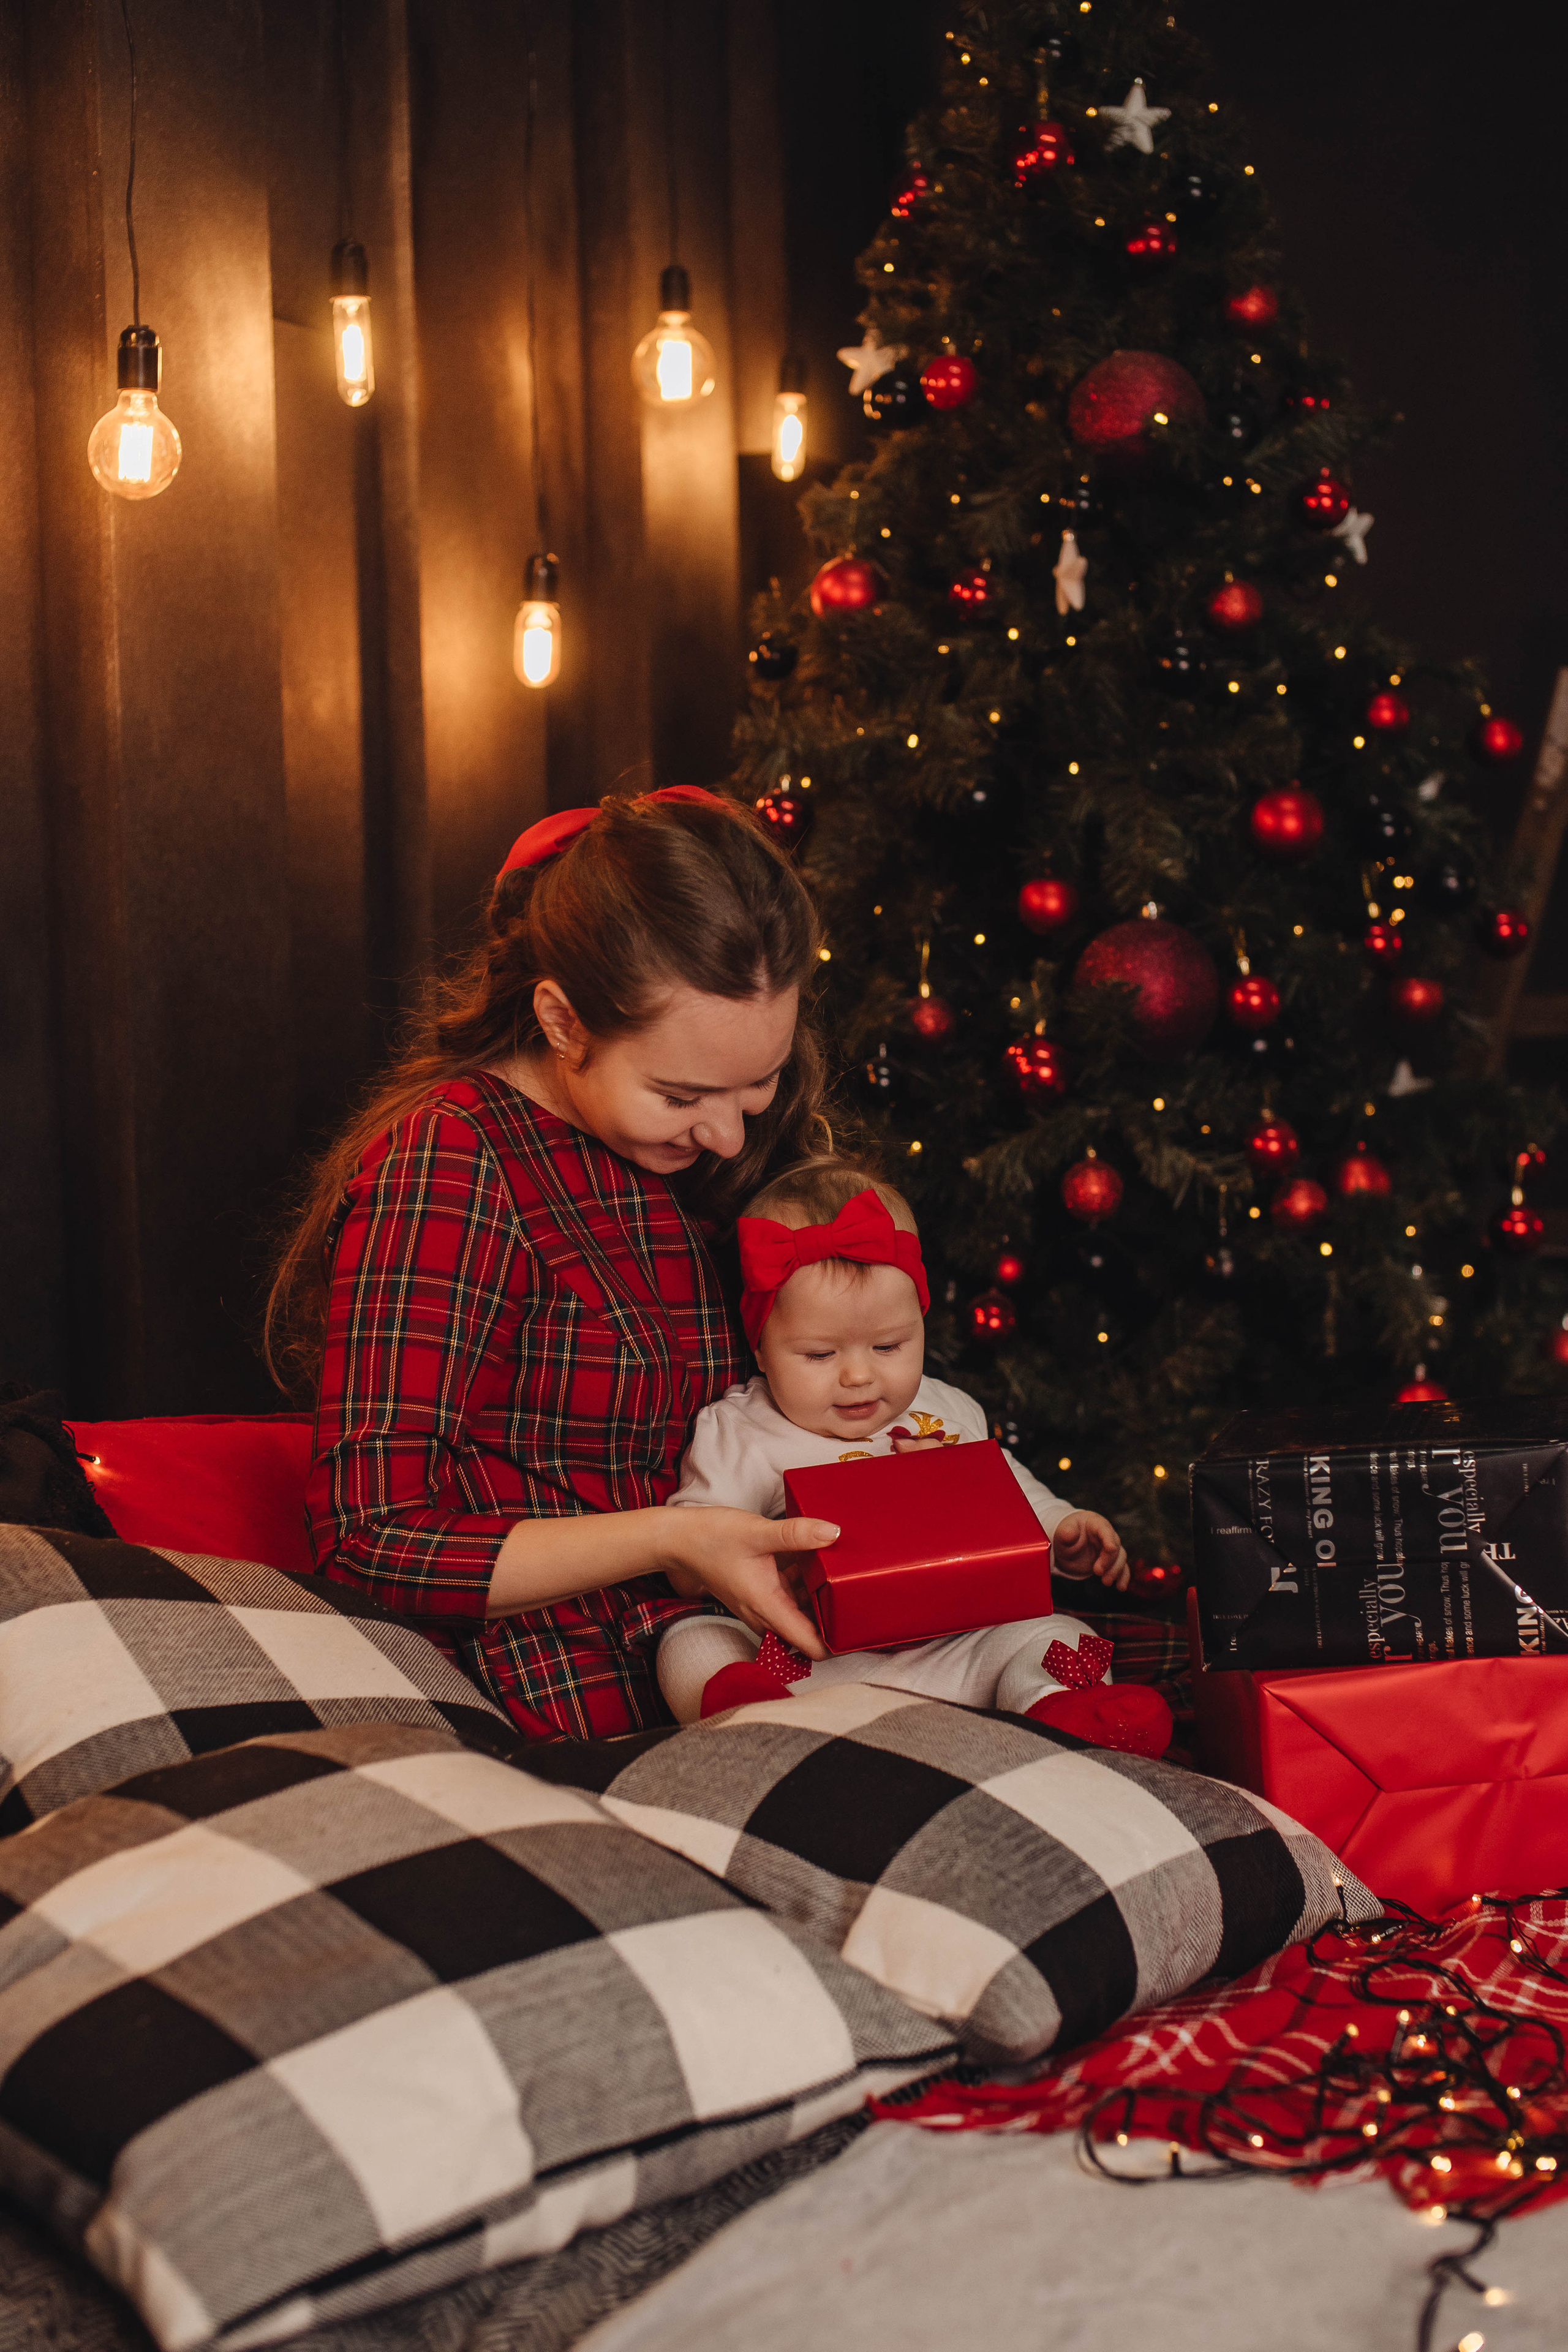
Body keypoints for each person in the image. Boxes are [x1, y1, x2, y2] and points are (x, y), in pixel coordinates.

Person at [267, 787, 845, 1741]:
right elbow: (371, 1539)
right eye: (680, 1093)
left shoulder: (697, 1158)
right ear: (562, 1019)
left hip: (743, 1647)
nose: (730, 1133)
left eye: (761, 1081)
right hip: (572, 1684)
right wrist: (670, 1537)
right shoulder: (452, 1160)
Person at [655, 1163, 1172, 1757]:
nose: (858, 1375)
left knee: (1059, 1633)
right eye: (819, 1354)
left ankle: (1058, 1710)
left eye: (888, 1346)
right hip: (810, 1669)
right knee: (693, 1640)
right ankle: (751, 1718)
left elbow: (1009, 1497)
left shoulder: (945, 1409)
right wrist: (755, 1555)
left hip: (960, 1654)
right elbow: (689, 1558)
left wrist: (1063, 1530)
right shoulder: (742, 1429)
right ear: (762, 1348)